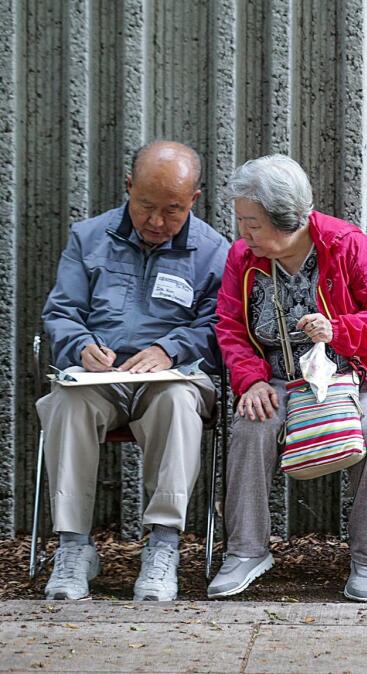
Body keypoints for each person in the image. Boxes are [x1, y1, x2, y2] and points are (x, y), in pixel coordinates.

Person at [208, 155, 367, 602]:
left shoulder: (348, 246)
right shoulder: (243, 258)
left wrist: (339, 330)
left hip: (360, 373)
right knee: (252, 423)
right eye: (242, 222)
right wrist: (250, 380)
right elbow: (229, 325)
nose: (244, 233)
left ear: (286, 221)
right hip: (278, 377)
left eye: (252, 223)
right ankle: (247, 550)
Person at [38, 140, 229, 601]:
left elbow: (221, 327)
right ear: (128, 188)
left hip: (170, 377)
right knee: (65, 403)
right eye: (146, 206)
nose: (157, 222)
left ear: (194, 201)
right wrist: (81, 346)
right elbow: (61, 312)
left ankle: (163, 546)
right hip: (98, 378)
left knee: (178, 405)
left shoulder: (213, 250)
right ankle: (73, 547)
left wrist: (171, 348)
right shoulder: (89, 237)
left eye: (173, 210)